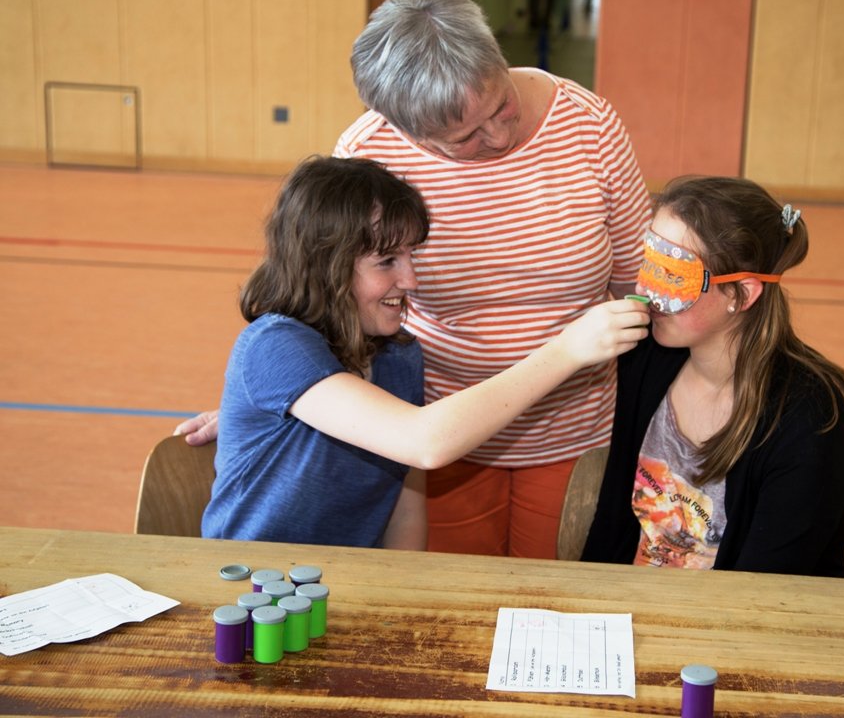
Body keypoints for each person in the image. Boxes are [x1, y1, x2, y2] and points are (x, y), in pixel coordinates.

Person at [178, 0, 652, 560]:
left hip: (571, 430)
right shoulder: (369, 152)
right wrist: (281, 404)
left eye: (501, 106)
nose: (498, 137)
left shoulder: (588, 125)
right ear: (407, 131)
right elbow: (322, 286)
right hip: (433, 421)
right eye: (465, 137)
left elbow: (639, 289)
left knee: (551, 598)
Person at [200, 155, 649, 548]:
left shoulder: (399, 356)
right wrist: (567, 350)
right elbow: (424, 443)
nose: (411, 280)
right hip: (254, 592)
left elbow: (406, 504)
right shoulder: (275, 344)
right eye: (387, 262)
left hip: (344, 588)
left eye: (411, 255)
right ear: (325, 265)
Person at [581, 176, 844, 576]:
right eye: (648, 260)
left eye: (674, 274)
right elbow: (614, 519)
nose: (646, 288)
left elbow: (767, 590)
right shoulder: (646, 356)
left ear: (742, 294)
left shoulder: (812, 423)